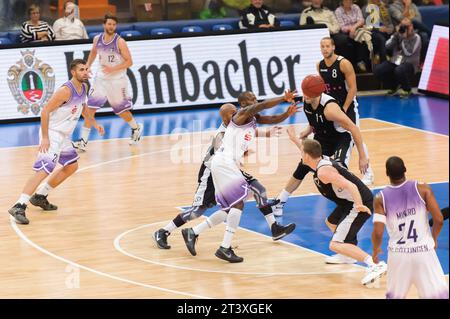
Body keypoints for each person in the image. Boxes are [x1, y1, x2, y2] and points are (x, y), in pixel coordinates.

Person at [154, 100, 299, 249]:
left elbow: (251, 130)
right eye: (232, 113)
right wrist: (242, 155)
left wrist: (268, 133)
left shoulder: (237, 124)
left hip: (230, 169)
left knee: (258, 190)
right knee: (198, 210)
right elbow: (219, 153)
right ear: (225, 118)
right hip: (212, 171)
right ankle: (164, 231)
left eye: (236, 111)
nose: (236, 113)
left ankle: (274, 227)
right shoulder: (222, 133)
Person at [8, 59, 104, 225]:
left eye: (86, 69)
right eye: (81, 69)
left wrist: (94, 123)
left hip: (64, 135)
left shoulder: (84, 87)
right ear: (73, 72)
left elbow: (83, 108)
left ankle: (40, 195)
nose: (85, 72)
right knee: (44, 169)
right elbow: (45, 112)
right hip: (52, 133)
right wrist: (45, 137)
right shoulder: (65, 90)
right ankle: (19, 205)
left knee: (72, 166)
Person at [286, 136, 387, 285]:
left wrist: (359, 205)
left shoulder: (323, 172)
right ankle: (347, 256)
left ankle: (374, 264)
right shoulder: (318, 159)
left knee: (335, 244)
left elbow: (351, 186)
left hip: (358, 202)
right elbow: (306, 148)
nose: (301, 155)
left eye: (302, 153)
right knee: (332, 222)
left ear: (307, 156)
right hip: (348, 202)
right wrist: (294, 138)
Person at [272, 75, 369, 227]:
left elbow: (353, 128)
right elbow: (314, 123)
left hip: (340, 138)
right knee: (303, 164)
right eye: (304, 93)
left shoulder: (330, 109)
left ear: (316, 94)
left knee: (338, 169)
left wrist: (362, 156)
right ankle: (280, 201)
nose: (305, 96)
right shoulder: (307, 100)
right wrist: (306, 131)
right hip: (322, 137)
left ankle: (352, 204)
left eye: (308, 94)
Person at [371, 156, 449, 298]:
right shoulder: (423, 189)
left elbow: (378, 232)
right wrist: (434, 238)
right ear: (405, 170)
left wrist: (376, 249)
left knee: (395, 296)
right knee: (438, 296)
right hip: (424, 252)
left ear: (387, 173)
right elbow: (439, 219)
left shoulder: (380, 198)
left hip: (398, 255)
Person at [72, 14, 143, 152]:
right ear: (104, 25)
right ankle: (83, 142)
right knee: (90, 109)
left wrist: (113, 68)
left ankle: (136, 128)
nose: (111, 27)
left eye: (113, 25)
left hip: (117, 81)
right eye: (109, 24)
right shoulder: (97, 39)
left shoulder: (120, 42)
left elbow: (129, 62)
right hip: (101, 79)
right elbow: (93, 53)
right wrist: (87, 66)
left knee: (121, 111)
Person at [316, 37, 375, 185]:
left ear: (333, 47)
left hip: (346, 105)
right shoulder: (319, 65)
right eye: (322, 46)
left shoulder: (344, 63)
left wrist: (344, 108)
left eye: (328, 46)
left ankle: (368, 173)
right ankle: (335, 170)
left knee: (355, 136)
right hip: (331, 106)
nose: (325, 49)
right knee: (335, 138)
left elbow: (353, 89)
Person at [373, 18, 421, 99]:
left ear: (411, 26)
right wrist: (395, 35)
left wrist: (404, 38)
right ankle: (393, 86)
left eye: (407, 26)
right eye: (403, 26)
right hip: (396, 61)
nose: (404, 28)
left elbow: (408, 52)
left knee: (399, 70)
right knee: (378, 70)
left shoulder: (416, 37)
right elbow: (386, 46)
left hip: (410, 64)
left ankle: (407, 89)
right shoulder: (397, 35)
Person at [334, 0, 370, 72]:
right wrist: (351, 30)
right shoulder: (338, 11)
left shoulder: (356, 7)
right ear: (342, 1)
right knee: (348, 41)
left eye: (350, 1)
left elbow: (361, 20)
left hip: (357, 30)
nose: (349, 2)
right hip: (345, 33)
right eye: (346, 1)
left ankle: (361, 62)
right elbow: (342, 27)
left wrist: (354, 28)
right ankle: (352, 65)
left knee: (363, 36)